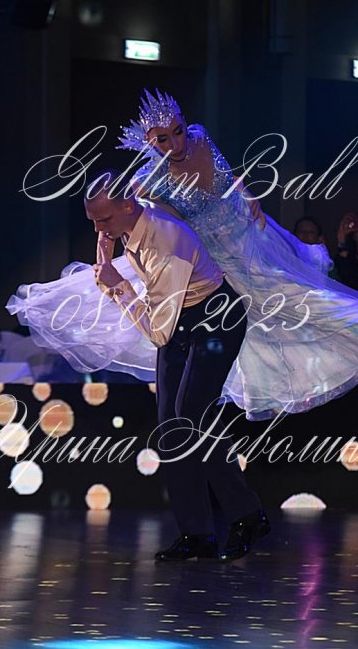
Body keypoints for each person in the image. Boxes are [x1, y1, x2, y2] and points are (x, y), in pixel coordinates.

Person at [115, 89, 358, 417]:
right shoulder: (146, 181)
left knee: (304, 297)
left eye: (178, 131)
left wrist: (247, 193)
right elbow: (158, 229)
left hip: (250, 233)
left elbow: (228, 179)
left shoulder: (200, 137)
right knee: (257, 329)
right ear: (148, 142)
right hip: (213, 258)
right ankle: (286, 390)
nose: (176, 143)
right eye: (163, 139)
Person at [87, 172, 268, 561]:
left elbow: (157, 333)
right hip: (181, 321)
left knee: (193, 418)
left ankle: (248, 515)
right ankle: (197, 533)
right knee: (172, 428)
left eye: (103, 220)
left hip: (216, 320)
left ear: (127, 206)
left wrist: (118, 285)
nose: (99, 229)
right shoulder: (129, 219)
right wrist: (105, 252)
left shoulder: (164, 243)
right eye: (94, 221)